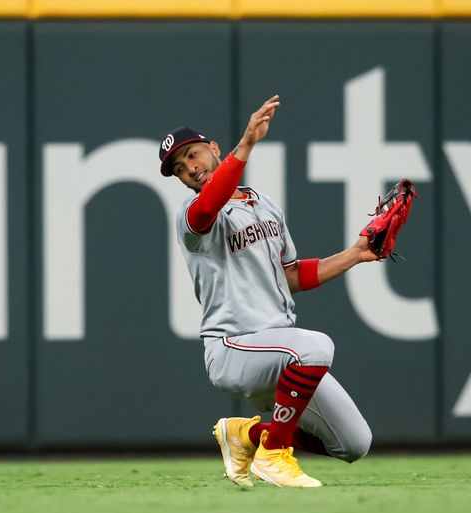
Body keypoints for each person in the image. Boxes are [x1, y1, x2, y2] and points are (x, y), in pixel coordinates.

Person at [158, 95, 375, 488]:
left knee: (355, 442)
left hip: (279, 347)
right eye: (179, 168)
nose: (190, 168)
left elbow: (290, 274)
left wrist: (355, 254)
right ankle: (274, 456)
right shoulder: (191, 218)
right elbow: (209, 206)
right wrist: (247, 145)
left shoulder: (265, 204)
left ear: (213, 149)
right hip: (234, 348)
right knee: (316, 347)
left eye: (193, 155)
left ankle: (247, 436)